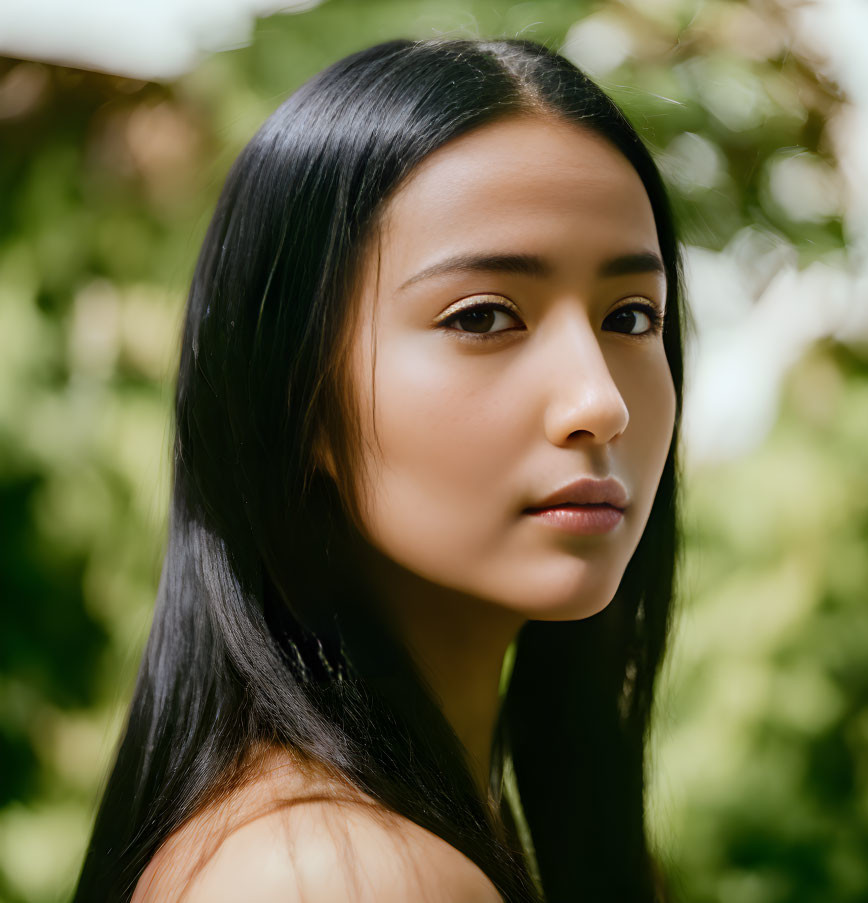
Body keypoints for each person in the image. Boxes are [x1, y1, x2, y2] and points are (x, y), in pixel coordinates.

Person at [71, 35, 688, 903]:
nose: (599, 402)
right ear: (297, 401)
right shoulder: (334, 876)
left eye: (630, 316)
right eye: (482, 317)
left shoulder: (420, 835)